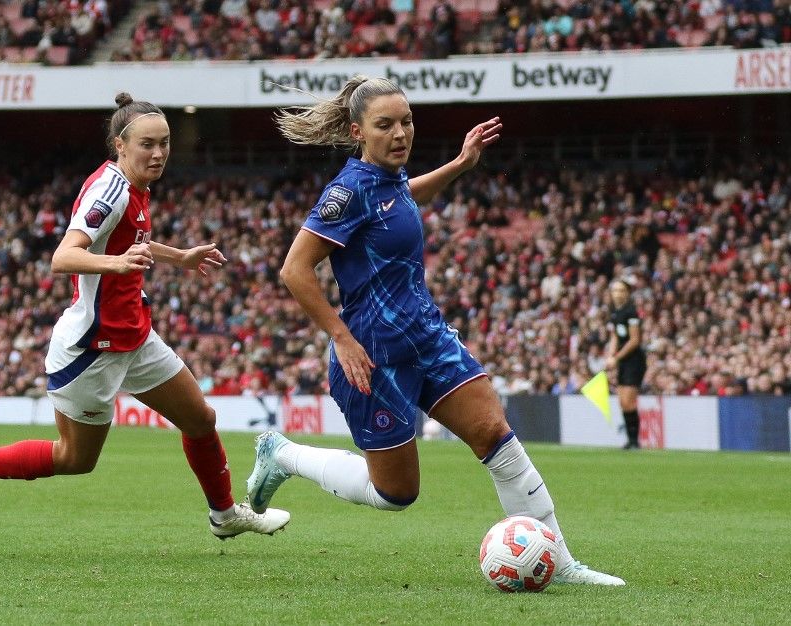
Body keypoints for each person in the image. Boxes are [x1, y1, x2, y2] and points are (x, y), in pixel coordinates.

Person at [246, 75, 624, 585]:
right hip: (374, 356)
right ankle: (284, 455)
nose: (401, 133)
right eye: (385, 125)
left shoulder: (389, 179)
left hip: (427, 335)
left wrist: (460, 165)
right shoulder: (346, 191)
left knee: (494, 433)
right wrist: (341, 337)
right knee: (395, 494)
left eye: (406, 122)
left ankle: (559, 564)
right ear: (357, 132)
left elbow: (404, 196)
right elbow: (295, 269)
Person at [0, 92, 290, 540]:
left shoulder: (134, 187)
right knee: (75, 459)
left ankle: (224, 515)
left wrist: (178, 257)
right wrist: (116, 265)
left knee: (200, 419)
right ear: (120, 144)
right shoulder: (112, 190)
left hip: (133, 336)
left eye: (164, 143)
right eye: (147, 144)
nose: (158, 153)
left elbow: (129, 242)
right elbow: (64, 257)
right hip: (92, 348)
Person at [606, 278, 646, 449]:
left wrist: (617, 357)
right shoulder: (615, 312)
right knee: (622, 401)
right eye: (615, 290)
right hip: (623, 361)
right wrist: (610, 356)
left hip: (634, 361)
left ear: (627, 293)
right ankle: (630, 440)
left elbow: (635, 340)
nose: (617, 294)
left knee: (629, 401)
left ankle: (635, 441)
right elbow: (615, 336)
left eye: (621, 290)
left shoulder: (631, 312)